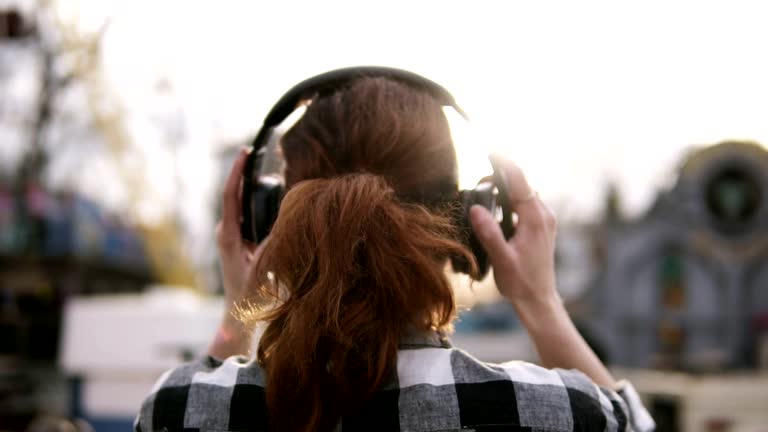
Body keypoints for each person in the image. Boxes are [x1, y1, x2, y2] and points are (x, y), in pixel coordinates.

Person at [135, 76, 655, 432]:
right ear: (471, 220)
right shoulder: (562, 410)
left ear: (265, 220)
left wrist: (237, 312)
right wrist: (540, 302)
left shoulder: (180, 411)